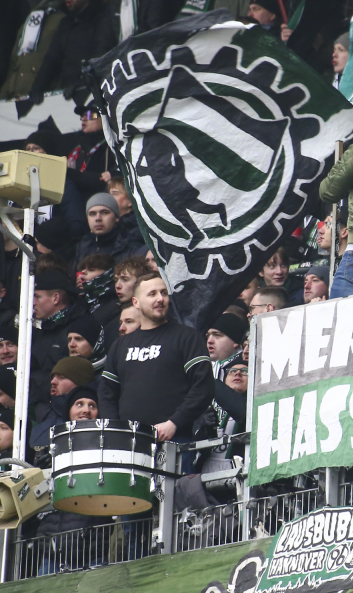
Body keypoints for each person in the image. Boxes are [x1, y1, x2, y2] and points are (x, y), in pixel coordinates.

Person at [99, 273, 215, 472]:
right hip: (128, 447)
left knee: (172, 493)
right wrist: (117, 431)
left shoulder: (187, 337)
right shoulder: (120, 346)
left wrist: (174, 423)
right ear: (136, 302)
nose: (160, 299)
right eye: (152, 294)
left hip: (175, 442)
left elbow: (203, 387)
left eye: (164, 293)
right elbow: (106, 394)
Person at [30, 0, 115, 100]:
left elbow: (101, 54)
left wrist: (83, 82)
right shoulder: (65, 23)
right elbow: (52, 58)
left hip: (95, 92)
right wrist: (38, 85)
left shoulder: (101, 19)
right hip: (68, 92)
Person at [0, 0, 66, 99]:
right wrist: (4, 94)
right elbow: (14, 64)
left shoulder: (60, 20)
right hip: (18, 98)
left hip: (45, 98)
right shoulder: (27, 22)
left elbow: (60, 61)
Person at [30, 269, 83, 420]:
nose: (33, 302)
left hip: (65, 411)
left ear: (56, 298)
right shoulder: (39, 330)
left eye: (37, 296)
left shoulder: (77, 330)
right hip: (42, 410)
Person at [74, 192, 145, 265]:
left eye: (105, 213)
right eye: (92, 214)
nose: (98, 218)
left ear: (116, 217)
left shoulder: (131, 245)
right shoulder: (83, 246)